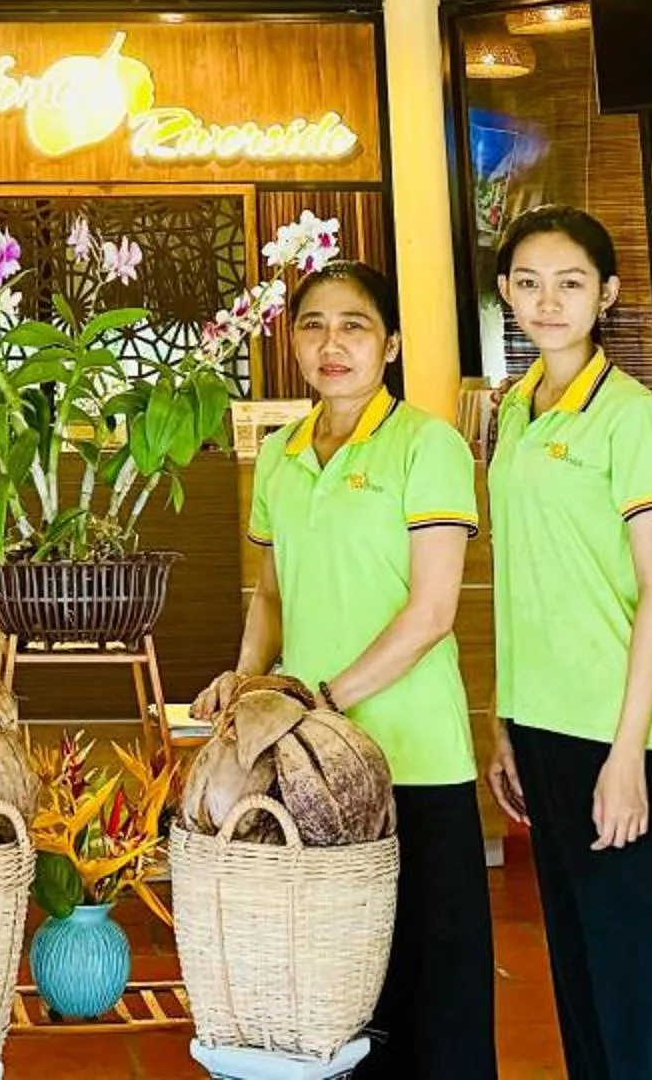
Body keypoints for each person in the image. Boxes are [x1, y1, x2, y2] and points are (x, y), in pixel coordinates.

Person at [199, 260, 492, 1076]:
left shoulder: (426, 444)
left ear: (390, 344)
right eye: (314, 324)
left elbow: (433, 612)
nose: (333, 343)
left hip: (414, 757)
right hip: (310, 769)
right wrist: (249, 677)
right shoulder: (283, 455)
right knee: (333, 978)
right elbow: (271, 590)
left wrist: (323, 701)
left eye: (355, 325)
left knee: (431, 978)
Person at [483, 208, 652, 1080]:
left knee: (643, 972)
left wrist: (627, 753)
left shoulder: (630, 415)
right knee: (579, 961)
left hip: (620, 732)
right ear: (506, 294)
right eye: (530, 283)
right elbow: (520, 577)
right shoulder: (515, 410)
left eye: (571, 282)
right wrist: (505, 717)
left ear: (607, 295)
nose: (549, 301)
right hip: (542, 725)